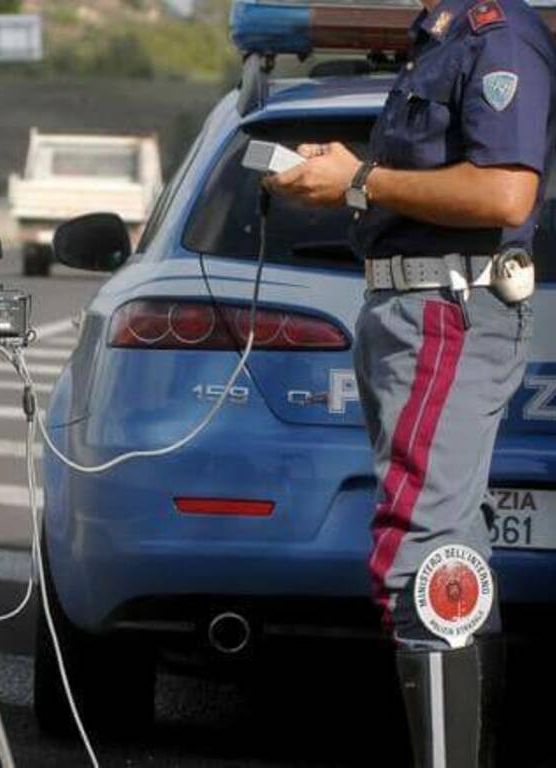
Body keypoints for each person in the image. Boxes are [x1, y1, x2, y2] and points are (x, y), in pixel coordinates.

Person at [267, 0, 555, 765]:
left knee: (421, 548)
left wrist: (360, 177)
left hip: (448, 307)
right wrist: (352, 182)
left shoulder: (500, 35)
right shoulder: (438, 41)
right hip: (409, 307)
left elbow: (505, 195)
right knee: (447, 547)